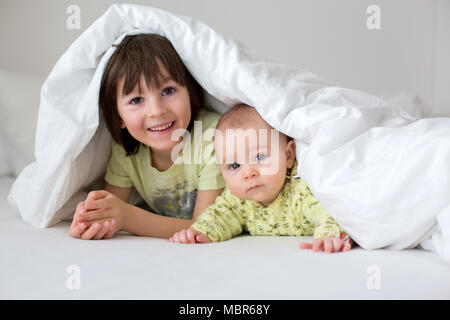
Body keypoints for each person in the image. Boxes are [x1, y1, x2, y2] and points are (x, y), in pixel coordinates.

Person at [69, 34, 225, 240]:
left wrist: (127, 216)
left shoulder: (212, 138)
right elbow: (111, 213)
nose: (156, 111)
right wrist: (90, 221)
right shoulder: (125, 152)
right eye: (136, 100)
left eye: (168, 90)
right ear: (118, 118)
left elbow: (205, 226)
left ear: (191, 92)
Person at [169, 104, 353, 253]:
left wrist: (330, 237)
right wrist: (198, 233)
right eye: (234, 166)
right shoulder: (237, 200)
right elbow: (219, 217)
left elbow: (330, 212)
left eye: (259, 157)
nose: (248, 173)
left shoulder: (301, 188)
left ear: (288, 156)